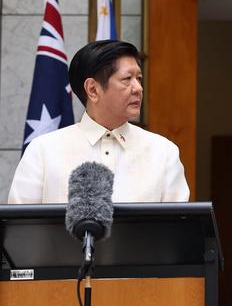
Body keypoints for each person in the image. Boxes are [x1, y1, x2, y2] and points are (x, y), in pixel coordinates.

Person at [8, 40, 190, 203]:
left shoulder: (164, 152)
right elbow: (20, 229)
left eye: (139, 79)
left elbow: (178, 231)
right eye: (127, 79)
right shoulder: (43, 151)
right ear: (93, 89)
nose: (138, 88)